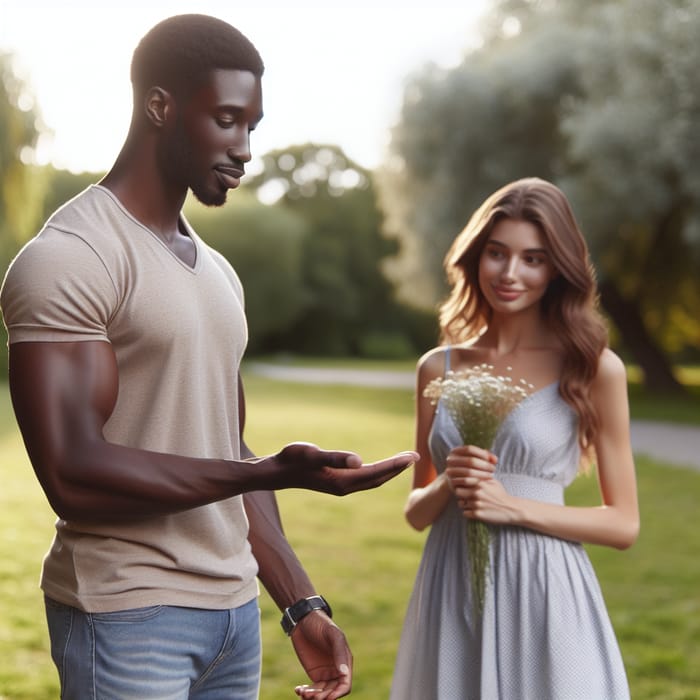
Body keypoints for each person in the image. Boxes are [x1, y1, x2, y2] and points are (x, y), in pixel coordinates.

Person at [0, 14, 417, 700]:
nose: (246, 148)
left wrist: (299, 602)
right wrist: (272, 472)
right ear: (160, 107)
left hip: (232, 619)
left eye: (252, 125)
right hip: (127, 614)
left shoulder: (219, 273)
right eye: (227, 120)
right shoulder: (69, 258)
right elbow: (73, 472)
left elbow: (228, 446)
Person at [389, 177, 639, 699]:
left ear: (558, 269)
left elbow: (623, 524)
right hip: (452, 583)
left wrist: (513, 507)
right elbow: (415, 512)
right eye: (497, 253)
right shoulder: (439, 367)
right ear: (475, 257)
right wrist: (448, 485)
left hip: (545, 588)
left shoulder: (595, 370)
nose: (509, 273)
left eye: (533, 259)